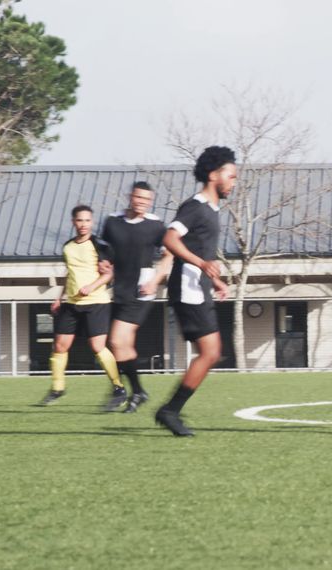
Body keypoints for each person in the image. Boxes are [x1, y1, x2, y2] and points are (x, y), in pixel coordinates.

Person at [155, 146, 234, 437]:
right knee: (210, 353)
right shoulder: (196, 205)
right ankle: (169, 411)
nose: (234, 182)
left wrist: (214, 280)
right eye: (231, 175)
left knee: (211, 353)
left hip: (198, 287)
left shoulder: (211, 210)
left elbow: (199, 249)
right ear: (213, 175)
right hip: (187, 290)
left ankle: (171, 410)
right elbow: (170, 238)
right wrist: (202, 264)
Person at [40, 205, 125, 409]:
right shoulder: (68, 247)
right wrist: (59, 297)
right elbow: (70, 274)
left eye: (87, 220)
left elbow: (108, 274)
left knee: (97, 347)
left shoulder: (99, 246)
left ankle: (118, 387)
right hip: (71, 304)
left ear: (92, 222)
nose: (84, 224)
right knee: (60, 346)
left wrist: (91, 287)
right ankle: (57, 388)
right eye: (80, 220)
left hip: (96, 303)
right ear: (74, 222)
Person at [101, 181, 172, 413]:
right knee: (123, 346)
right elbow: (103, 252)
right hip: (120, 290)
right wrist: (103, 263)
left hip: (142, 291)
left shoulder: (155, 225)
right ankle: (136, 392)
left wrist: (155, 280)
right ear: (130, 197)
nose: (142, 202)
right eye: (139, 197)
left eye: (147, 199)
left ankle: (129, 390)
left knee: (116, 341)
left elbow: (169, 254)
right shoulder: (112, 222)